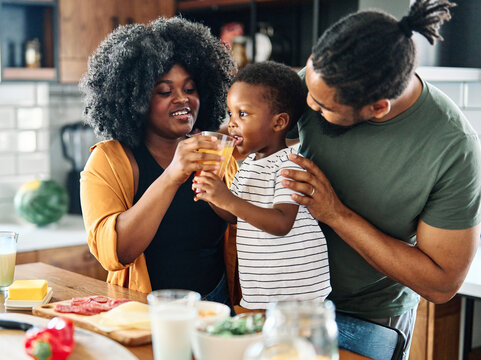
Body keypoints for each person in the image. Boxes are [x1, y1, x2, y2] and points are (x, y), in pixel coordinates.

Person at [282, 0, 481, 358]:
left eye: (324, 107)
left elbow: (441, 283)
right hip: (286, 301)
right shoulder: (319, 85)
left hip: (369, 318)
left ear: (377, 108)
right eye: (309, 88)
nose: (308, 106)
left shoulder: (452, 147)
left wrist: (335, 213)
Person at [79, 17, 239, 306]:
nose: (183, 99)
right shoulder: (108, 160)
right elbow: (116, 252)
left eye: (190, 89)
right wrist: (171, 176)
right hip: (142, 308)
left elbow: (243, 222)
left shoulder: (215, 151)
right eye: (165, 91)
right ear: (135, 99)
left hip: (217, 306)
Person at [193, 61, 331, 311]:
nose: (232, 123)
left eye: (242, 114)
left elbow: (281, 223)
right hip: (261, 293)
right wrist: (212, 193)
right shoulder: (249, 164)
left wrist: (227, 199)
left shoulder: (289, 164)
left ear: (278, 123)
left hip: (297, 297)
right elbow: (234, 216)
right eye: (230, 113)